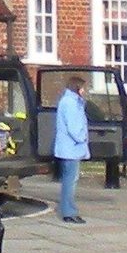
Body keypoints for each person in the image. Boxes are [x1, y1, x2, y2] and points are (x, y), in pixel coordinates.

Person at [51, 79, 92, 224]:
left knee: (70, 180)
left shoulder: (71, 102)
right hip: (71, 148)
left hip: (70, 148)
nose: (84, 91)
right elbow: (74, 126)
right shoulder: (70, 103)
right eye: (83, 88)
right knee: (70, 181)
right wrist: (82, 138)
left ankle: (69, 210)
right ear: (78, 88)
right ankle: (69, 212)